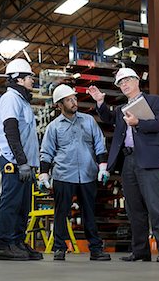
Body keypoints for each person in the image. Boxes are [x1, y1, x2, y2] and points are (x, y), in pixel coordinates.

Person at [87, 67, 159, 262]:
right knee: (134, 210)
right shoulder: (120, 109)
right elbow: (108, 118)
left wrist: (138, 123)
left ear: (137, 81)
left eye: (127, 80)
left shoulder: (155, 101)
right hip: (128, 161)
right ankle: (140, 251)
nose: (123, 85)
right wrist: (100, 101)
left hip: (148, 160)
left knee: (156, 206)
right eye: (120, 83)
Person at [39, 84, 111, 261]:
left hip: (87, 174)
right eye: (69, 100)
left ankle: (95, 249)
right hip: (63, 174)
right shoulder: (53, 127)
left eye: (74, 98)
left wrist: (102, 166)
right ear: (59, 105)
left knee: (89, 213)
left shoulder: (88, 121)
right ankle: (59, 248)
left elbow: (99, 143)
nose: (74, 102)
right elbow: (46, 152)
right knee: (61, 213)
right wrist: (44, 174)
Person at [0, 58, 43, 261]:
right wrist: (21, 161)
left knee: (24, 205)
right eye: (30, 77)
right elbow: (11, 131)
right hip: (13, 161)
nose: (32, 80)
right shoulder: (10, 98)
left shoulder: (22, 101)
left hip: (25, 163)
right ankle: (5, 244)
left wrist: (30, 163)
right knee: (11, 202)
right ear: (19, 79)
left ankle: (17, 242)